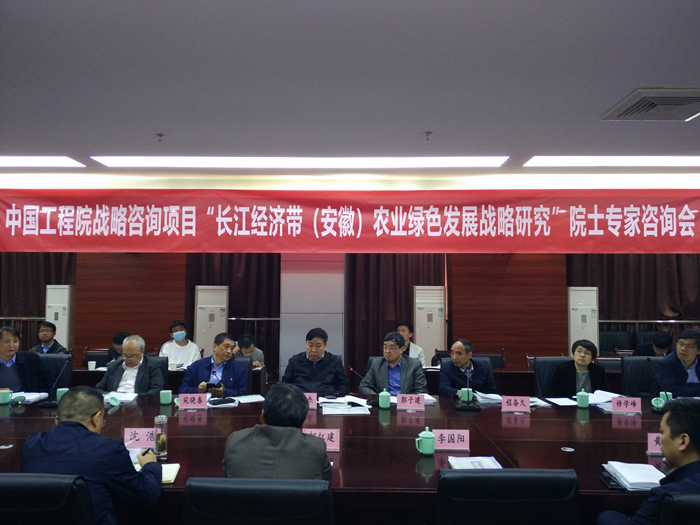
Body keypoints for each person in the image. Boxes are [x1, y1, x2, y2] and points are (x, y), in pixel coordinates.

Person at [21, 386, 162, 525]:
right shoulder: (109, 449)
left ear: (56, 421)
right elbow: (146, 498)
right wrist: (151, 465)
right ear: (96, 419)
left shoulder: (31, 445)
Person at [596, 398, 700, 525]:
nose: (659, 440)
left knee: (606, 516)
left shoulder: (666, 496)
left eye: (662, 433)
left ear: (683, 441)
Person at [222, 382, 333, 481]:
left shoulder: (235, 442)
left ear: (262, 417)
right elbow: (326, 482)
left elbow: (228, 476)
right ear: (302, 424)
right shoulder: (316, 448)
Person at [281, 327, 349, 395]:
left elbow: (343, 386)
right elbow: (285, 384)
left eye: (318, 346)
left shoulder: (335, 362)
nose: (313, 350)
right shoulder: (295, 361)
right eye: (310, 345)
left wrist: (336, 396)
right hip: (300, 399)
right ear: (306, 343)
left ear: (325, 345)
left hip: (326, 399)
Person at [179, 332, 247, 397]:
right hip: (202, 403)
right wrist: (198, 390)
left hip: (225, 403)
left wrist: (225, 392)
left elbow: (243, 393)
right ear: (215, 347)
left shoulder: (238, 369)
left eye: (232, 348)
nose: (229, 351)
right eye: (226, 347)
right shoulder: (197, 366)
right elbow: (182, 390)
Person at [358, 332, 427, 395]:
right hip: (384, 403)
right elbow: (363, 387)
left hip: (405, 403)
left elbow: (421, 391)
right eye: (385, 347)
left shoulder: (414, 365)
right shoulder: (377, 364)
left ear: (402, 349)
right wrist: (378, 397)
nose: (387, 351)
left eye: (392, 348)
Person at [95, 335, 164, 395]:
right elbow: (98, 388)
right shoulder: (113, 366)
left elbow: (157, 389)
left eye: (133, 356)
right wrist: (107, 395)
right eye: (125, 355)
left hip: (139, 403)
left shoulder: (152, 365)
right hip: (115, 402)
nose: (128, 359)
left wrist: (138, 398)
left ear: (142, 352)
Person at [0, 325, 55, 393]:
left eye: (15, 341)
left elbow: (50, 380)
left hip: (26, 398)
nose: (11, 345)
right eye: (7, 341)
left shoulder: (31, 359)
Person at [651, 328, 700, 398]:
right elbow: (671, 391)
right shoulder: (667, 363)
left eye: (689, 346)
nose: (683, 349)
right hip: (674, 401)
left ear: (698, 351)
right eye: (681, 344)